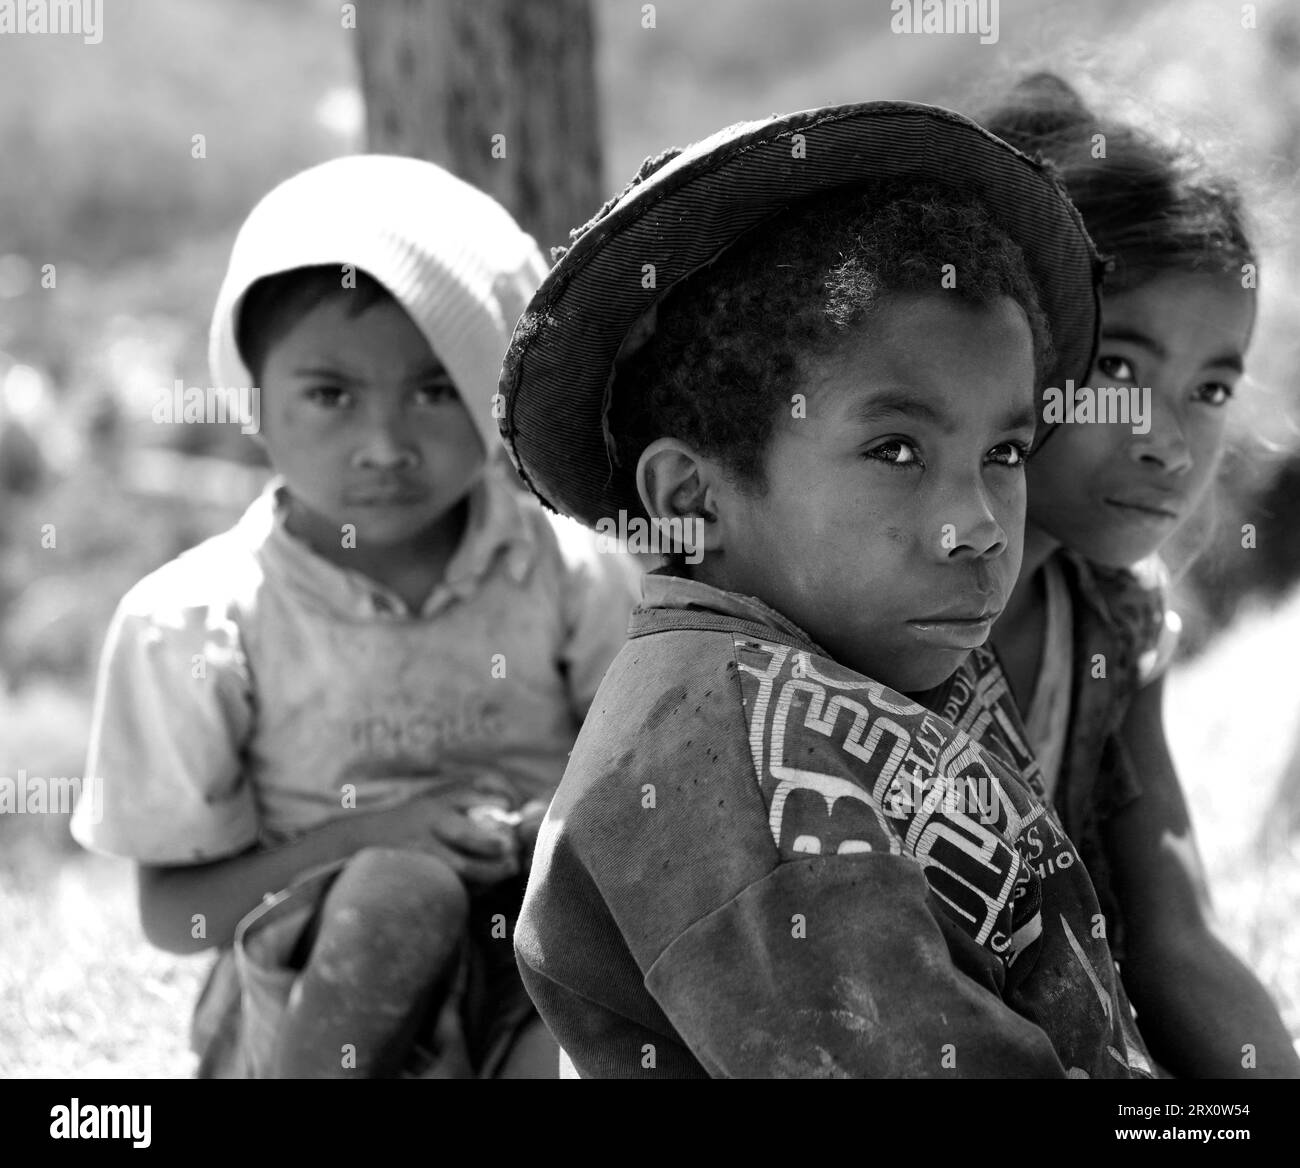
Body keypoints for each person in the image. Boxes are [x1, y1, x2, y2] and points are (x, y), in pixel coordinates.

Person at [504, 101, 1154, 1078]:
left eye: (1004, 451)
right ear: (692, 496)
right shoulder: (746, 769)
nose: (977, 521)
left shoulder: (865, 661)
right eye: (895, 449)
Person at [71, 155, 638, 1078]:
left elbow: (638, 808)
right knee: (401, 892)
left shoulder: (575, 573)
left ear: (500, 400)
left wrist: (544, 834)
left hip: (530, 967)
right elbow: (179, 917)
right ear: (253, 399)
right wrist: (372, 837)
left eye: (435, 391)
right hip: (303, 1006)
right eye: (330, 395)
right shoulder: (193, 622)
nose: (384, 447)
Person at [945, 72, 1300, 1077]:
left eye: (1210, 387)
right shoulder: (855, 607)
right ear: (1006, 339)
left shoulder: (1112, 628)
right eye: (1117, 369)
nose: (1168, 442)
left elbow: (1174, 939)